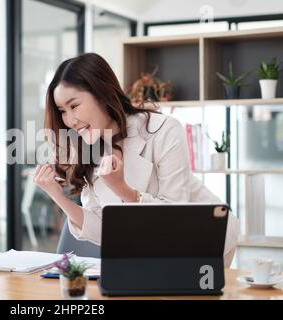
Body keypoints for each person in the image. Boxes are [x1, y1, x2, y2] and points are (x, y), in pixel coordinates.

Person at [33, 53, 238, 267]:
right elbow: (103, 229)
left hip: (202, 237)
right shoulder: (89, 150)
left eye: (74, 106)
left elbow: (176, 217)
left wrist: (122, 188)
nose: (70, 120)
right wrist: (58, 198)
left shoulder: (163, 130)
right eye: (62, 111)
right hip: (151, 248)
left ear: (101, 93)